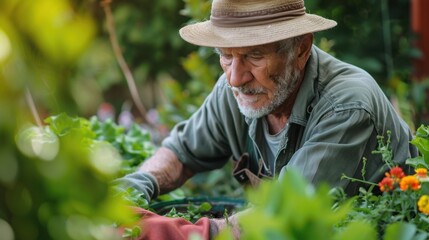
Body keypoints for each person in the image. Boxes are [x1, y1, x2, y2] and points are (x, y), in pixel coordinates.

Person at [115, 0, 418, 239]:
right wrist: (130, 190)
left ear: (300, 48)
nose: (235, 78)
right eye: (225, 56)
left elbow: (282, 218)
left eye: (254, 56)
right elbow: (180, 153)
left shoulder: (346, 106)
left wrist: (161, 232)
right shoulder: (238, 91)